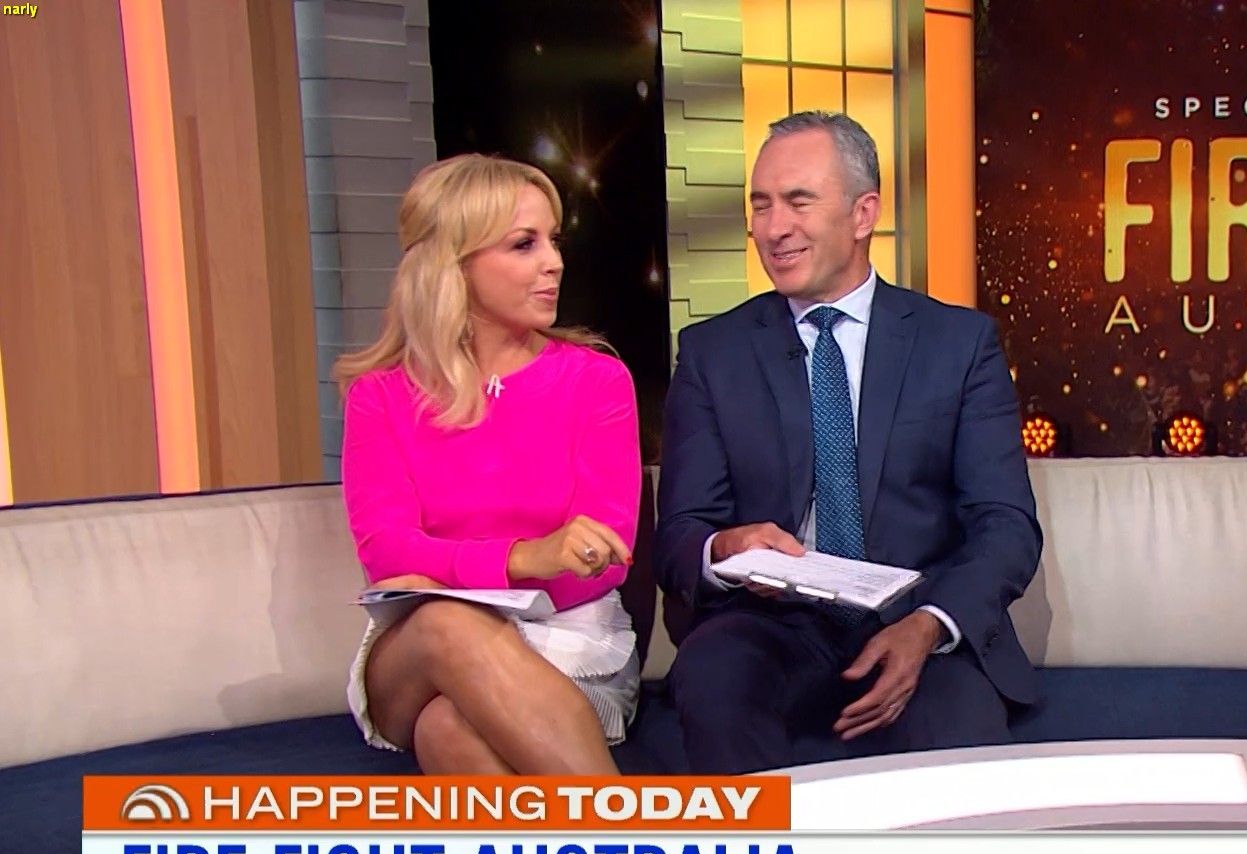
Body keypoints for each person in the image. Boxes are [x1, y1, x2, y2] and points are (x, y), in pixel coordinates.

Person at [655, 111, 1041, 773]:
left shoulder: (958, 344)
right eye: (761, 205)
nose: (773, 228)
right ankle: (767, 845)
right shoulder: (712, 353)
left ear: (864, 214)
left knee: (959, 736)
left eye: (798, 202)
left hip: (917, 619)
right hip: (767, 626)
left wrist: (929, 626)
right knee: (716, 676)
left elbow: (1006, 525)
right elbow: (680, 535)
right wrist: (727, 549)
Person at [336, 154, 641, 775]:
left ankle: (599, 834)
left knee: (447, 727)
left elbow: (604, 554)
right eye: (524, 244)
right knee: (446, 622)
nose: (554, 262)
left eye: (553, 241)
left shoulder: (597, 382)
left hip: (570, 641)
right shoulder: (381, 397)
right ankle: (634, 829)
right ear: (454, 264)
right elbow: (389, 554)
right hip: (419, 654)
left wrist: (460, 568)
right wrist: (523, 558)